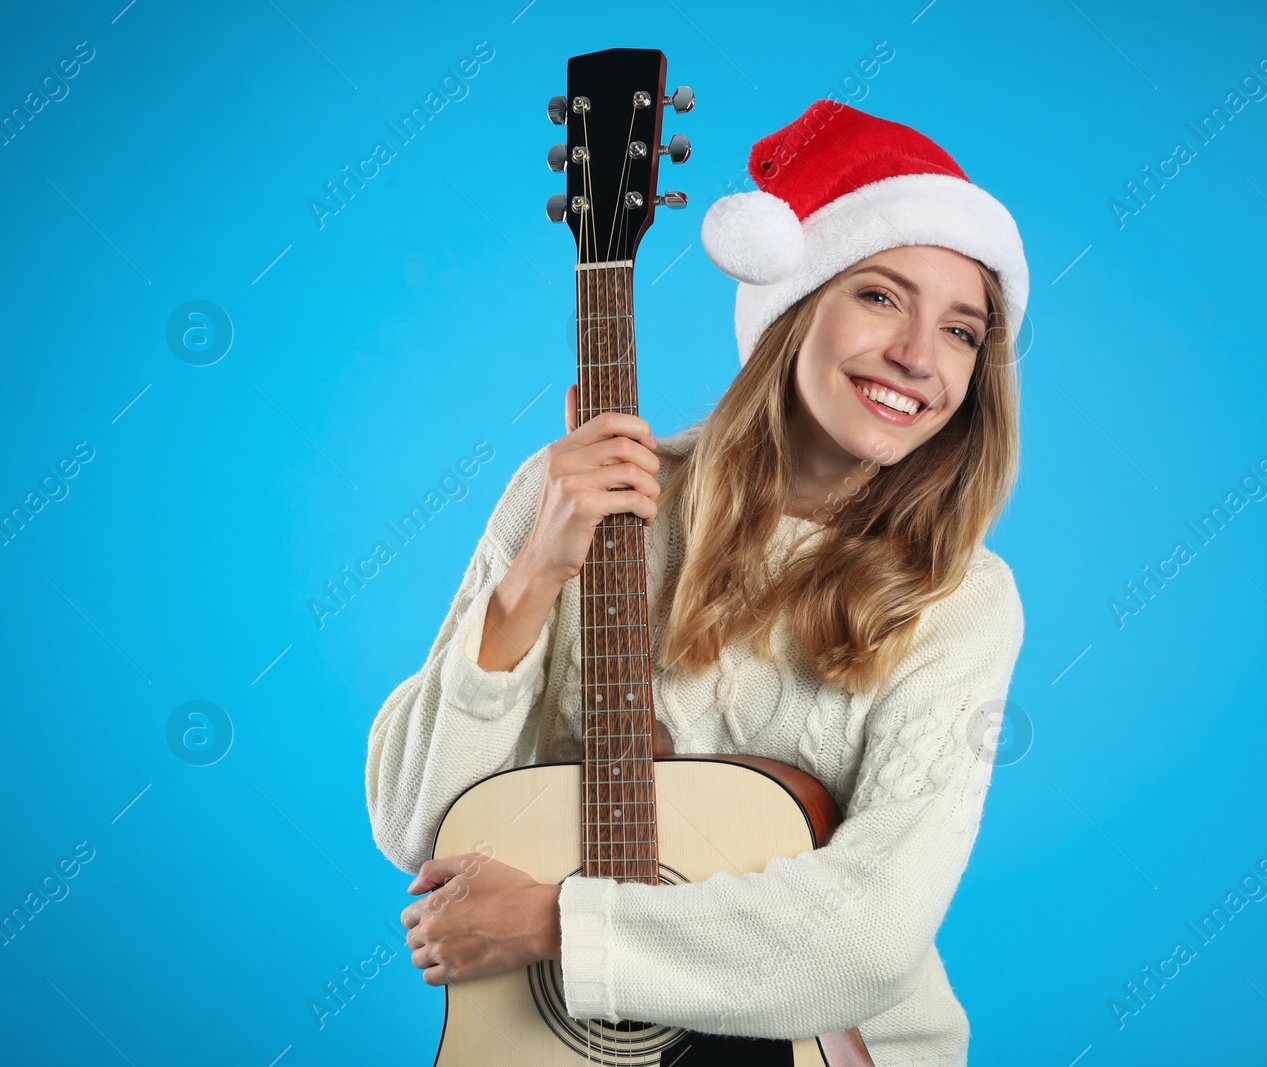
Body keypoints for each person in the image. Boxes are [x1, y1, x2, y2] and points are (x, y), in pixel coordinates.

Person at [366, 99, 1030, 1066]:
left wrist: (561, 923)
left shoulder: (961, 599)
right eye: (881, 297)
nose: (919, 358)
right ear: (794, 303)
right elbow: (416, 827)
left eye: (963, 331)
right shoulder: (579, 494)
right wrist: (535, 572)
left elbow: (872, 929)